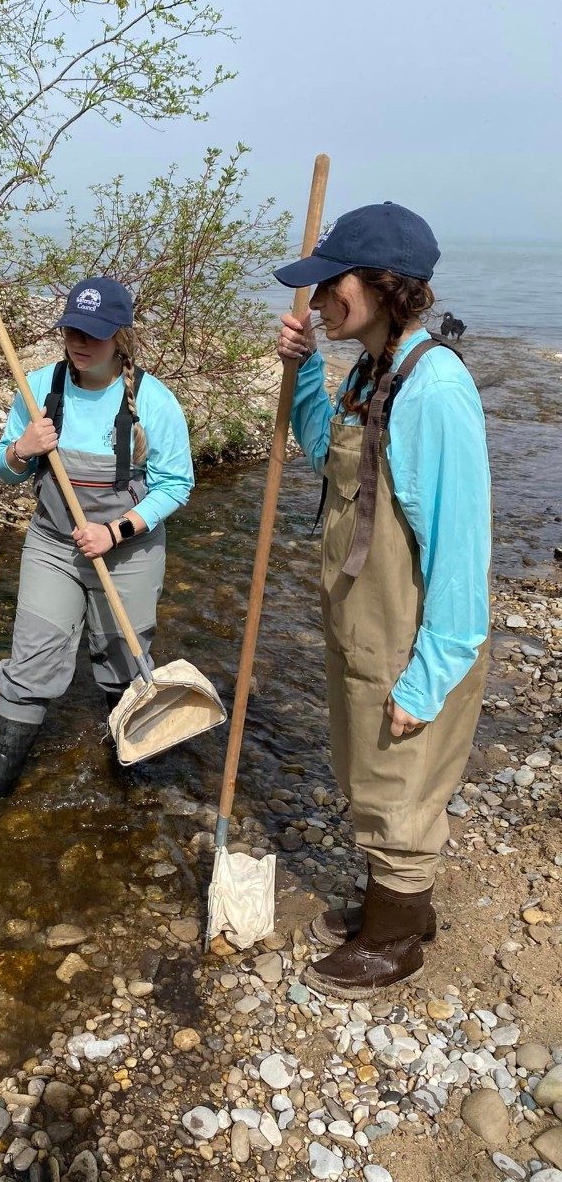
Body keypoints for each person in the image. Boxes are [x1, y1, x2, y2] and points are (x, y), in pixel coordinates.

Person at [274, 202, 490, 999]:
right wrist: (302, 372)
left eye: (333, 282)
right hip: (361, 615)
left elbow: (465, 551)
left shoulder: (435, 389)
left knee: (402, 774)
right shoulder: (372, 370)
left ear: (383, 287)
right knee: (368, 763)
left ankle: (396, 938)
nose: (320, 297)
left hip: (409, 628)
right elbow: (321, 453)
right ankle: (395, 903)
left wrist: (432, 672)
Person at [0, 277, 194, 813]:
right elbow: (6, 472)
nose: (80, 343)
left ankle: (129, 770)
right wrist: (20, 449)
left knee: (123, 660)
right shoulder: (37, 388)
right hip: (54, 543)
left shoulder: (153, 400)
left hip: (128, 548)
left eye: (95, 334)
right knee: (32, 658)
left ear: (121, 336)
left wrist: (116, 531)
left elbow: (177, 484)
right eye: (72, 331)